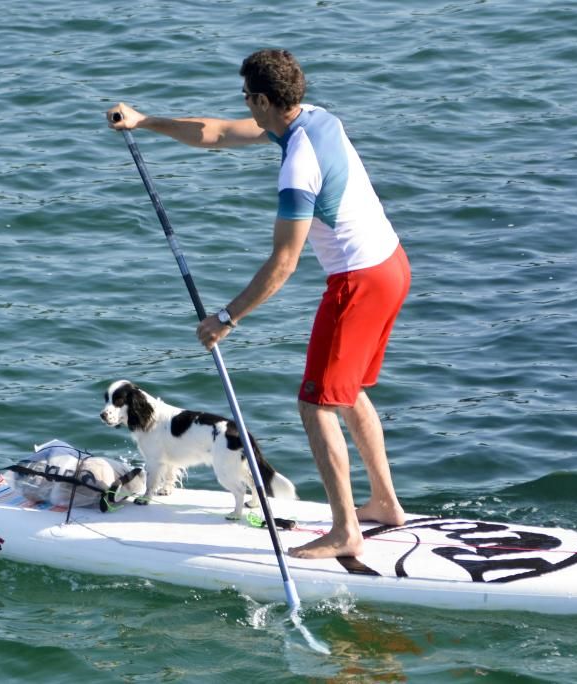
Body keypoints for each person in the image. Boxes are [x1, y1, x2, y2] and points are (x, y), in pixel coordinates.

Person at [107, 49, 410, 559]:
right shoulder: (316, 120)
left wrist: (227, 318)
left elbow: (284, 262)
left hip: (358, 282)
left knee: (315, 405)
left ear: (266, 100)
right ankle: (385, 504)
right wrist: (144, 121)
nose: (243, 106)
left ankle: (345, 531)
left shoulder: (298, 167)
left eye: (247, 97)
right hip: (392, 265)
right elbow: (218, 133)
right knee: (349, 391)